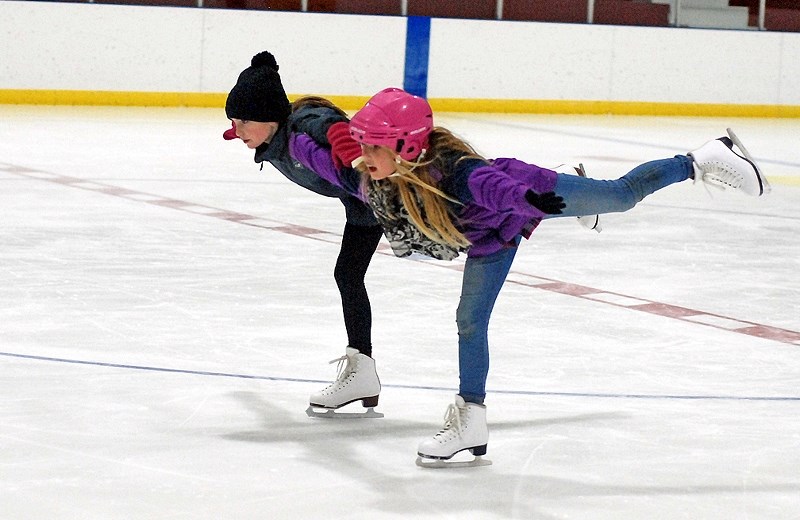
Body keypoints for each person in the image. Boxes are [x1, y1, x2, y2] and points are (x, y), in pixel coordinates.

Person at [288, 87, 770, 464]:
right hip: (488, 241)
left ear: (405, 145)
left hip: (523, 193)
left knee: (619, 196)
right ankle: (470, 420)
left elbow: (492, 186)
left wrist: (531, 203)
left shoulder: (455, 172)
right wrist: (279, 140)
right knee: (470, 321)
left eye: (372, 146)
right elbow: (317, 158)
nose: (362, 154)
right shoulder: (369, 174)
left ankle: (700, 159)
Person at [224, 51, 384, 417]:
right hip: (364, 204)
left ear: (270, 117)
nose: (237, 131)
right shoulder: (273, 140)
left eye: (244, 121)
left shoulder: (303, 122)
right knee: (347, 274)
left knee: (472, 223)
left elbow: (334, 128)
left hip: (392, 188)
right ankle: (362, 370)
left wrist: (346, 148)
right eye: (233, 122)